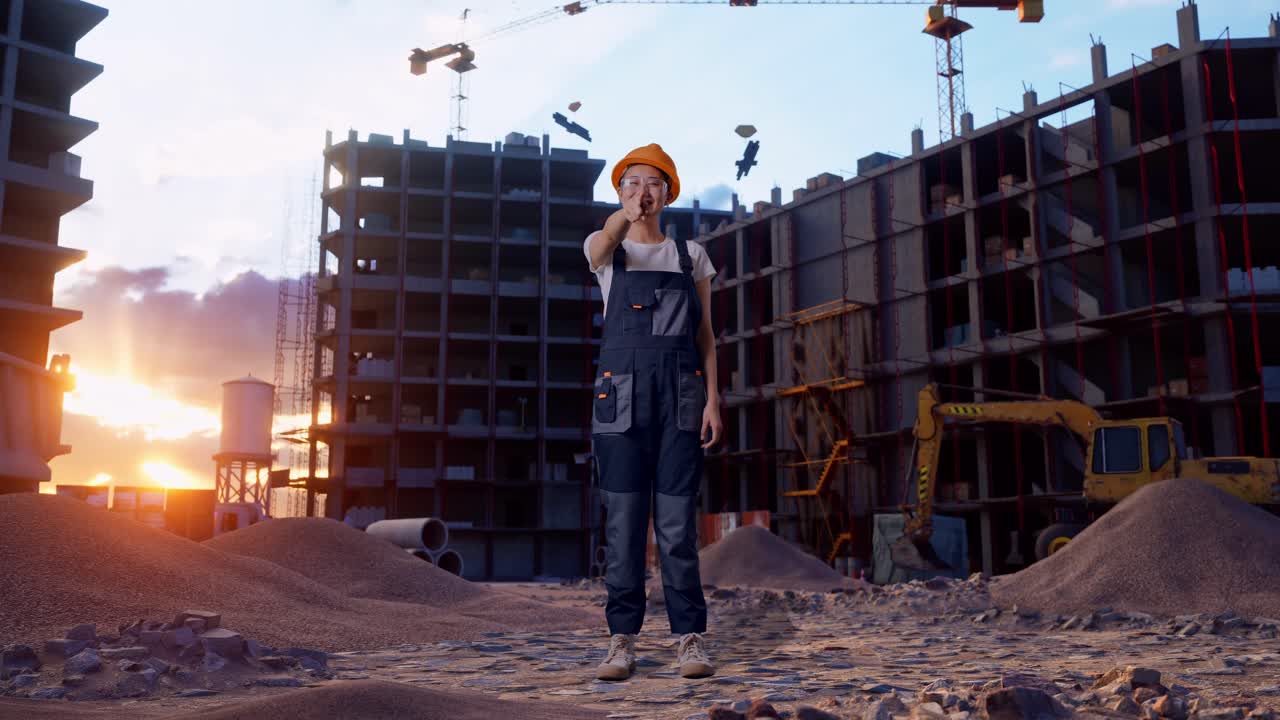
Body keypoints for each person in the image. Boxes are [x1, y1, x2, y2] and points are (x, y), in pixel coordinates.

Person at [582, 143, 723, 681]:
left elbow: (706, 334)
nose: (643, 192)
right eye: (632, 183)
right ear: (620, 193)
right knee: (622, 526)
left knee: (676, 528)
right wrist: (624, 218)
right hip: (619, 401)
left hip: (682, 399)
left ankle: (690, 639)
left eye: (653, 184)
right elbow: (603, 244)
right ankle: (622, 641)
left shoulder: (692, 257)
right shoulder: (605, 248)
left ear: (669, 193)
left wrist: (713, 398)